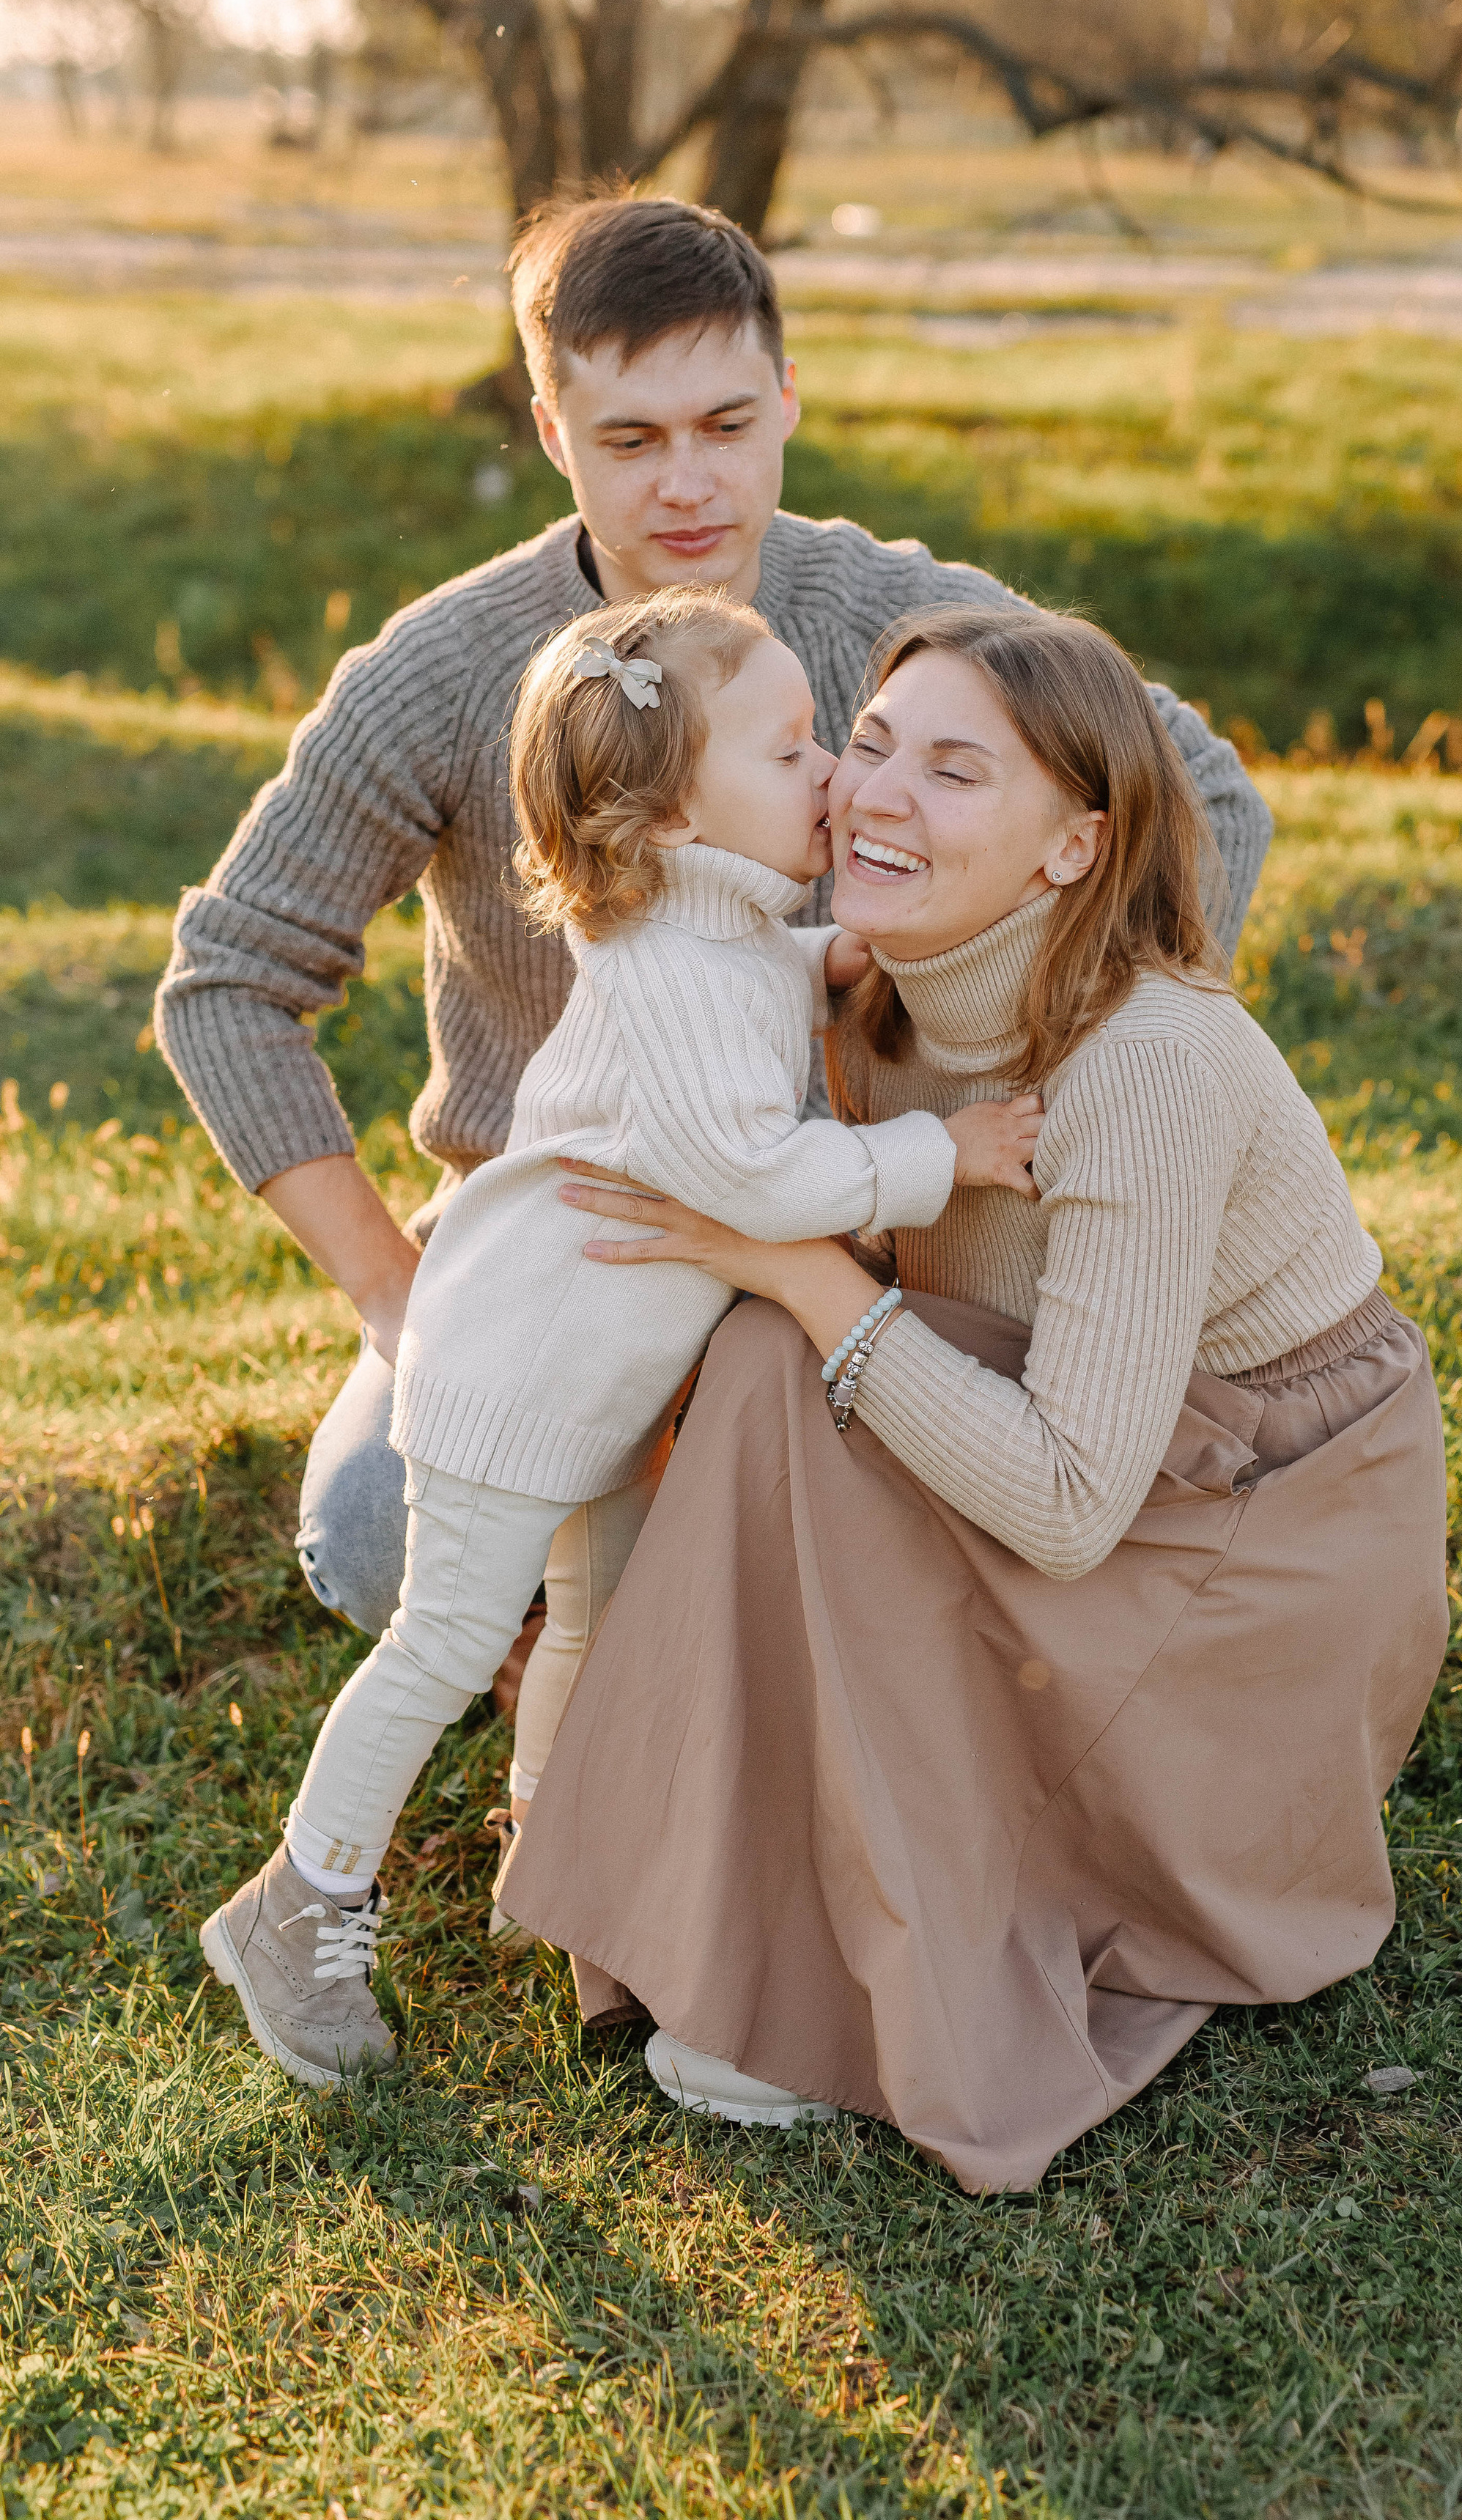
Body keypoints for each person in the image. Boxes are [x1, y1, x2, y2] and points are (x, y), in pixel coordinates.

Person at [154, 191, 1273, 1654]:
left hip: (878, 1214)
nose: (688, 482)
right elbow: (227, 979)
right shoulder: (436, 673)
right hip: (572, 1235)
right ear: (551, 430)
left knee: (926, 1528)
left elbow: (1198, 796)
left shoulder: (901, 610)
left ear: (788, 398)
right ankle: (585, 1680)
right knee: (374, 1544)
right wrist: (393, 1289)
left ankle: (702, 1658)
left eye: (727, 424)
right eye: (629, 440)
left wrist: (1066, 1067)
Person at [501, 602, 1450, 2195]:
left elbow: (1071, 1506)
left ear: (1074, 849)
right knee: (763, 1367)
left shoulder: (1143, 1063)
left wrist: (807, 1276)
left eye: (953, 774)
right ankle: (734, 1896)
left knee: (785, 1341)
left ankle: (859, 1955)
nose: (875, 797)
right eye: (867, 747)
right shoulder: (881, 1003)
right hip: (1094, 1452)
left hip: (1246, 1536)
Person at [197, 583, 1047, 2088]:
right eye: (792, 754)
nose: (831, 780)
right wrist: (947, 1157)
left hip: (594, 1386)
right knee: (446, 1646)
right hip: (514, 1382)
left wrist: (824, 969)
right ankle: (302, 1899)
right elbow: (749, 1175)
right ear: (666, 825)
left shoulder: (708, 929)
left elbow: (748, 977)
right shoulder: (665, 973)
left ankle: (560, 1860)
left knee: (594, 1619)